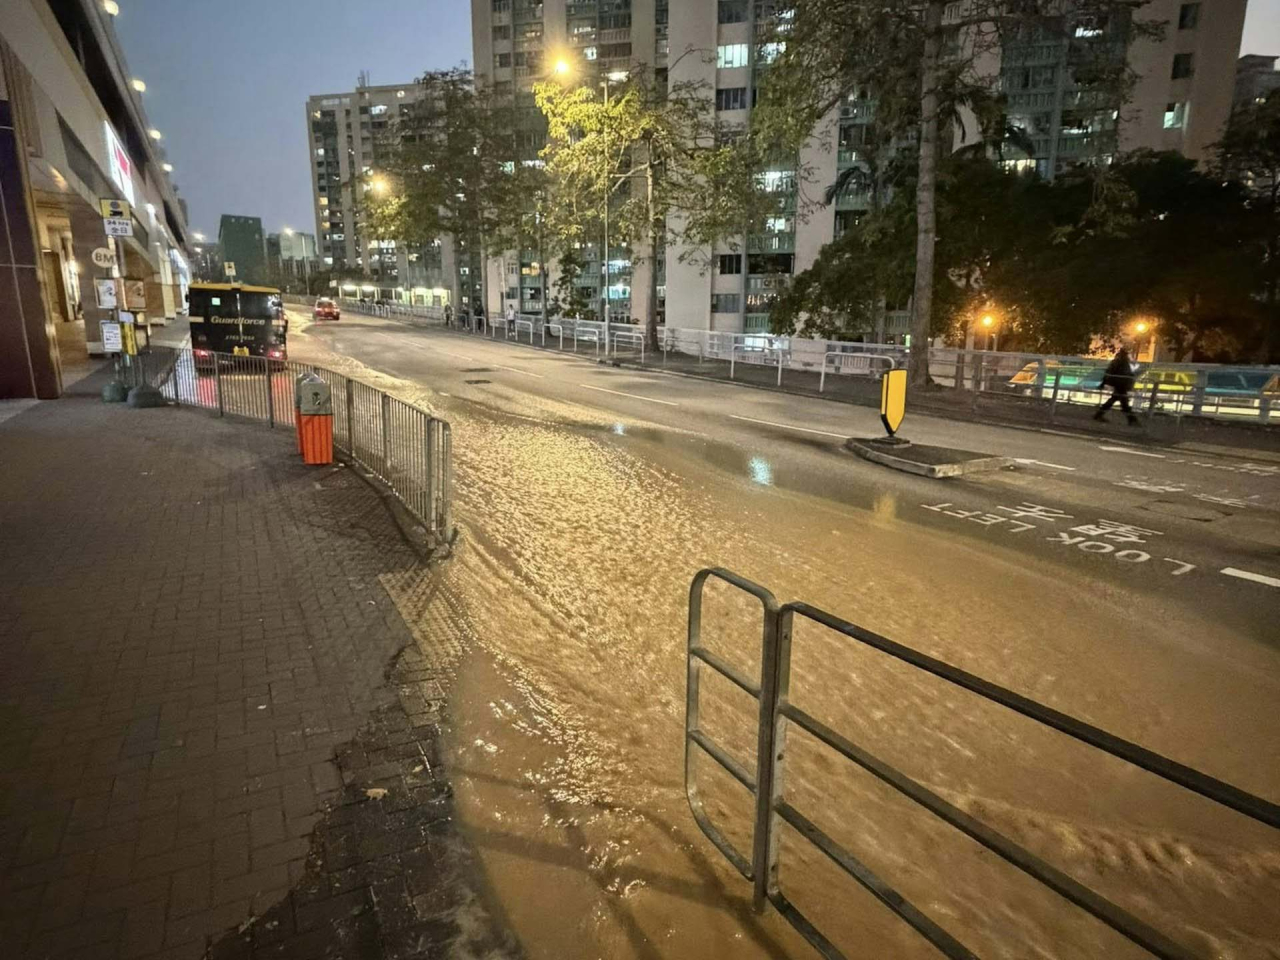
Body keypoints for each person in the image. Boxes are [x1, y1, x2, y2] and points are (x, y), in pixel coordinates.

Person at [1095, 346, 1140, 425]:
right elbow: (1125, 374)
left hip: (1118, 384)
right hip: (1121, 385)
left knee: (1116, 401)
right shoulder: (1123, 362)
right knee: (1123, 403)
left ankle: (1099, 414)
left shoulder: (1118, 361)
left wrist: (1104, 382)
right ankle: (1132, 420)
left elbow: (1109, 372)